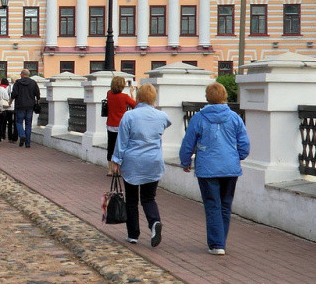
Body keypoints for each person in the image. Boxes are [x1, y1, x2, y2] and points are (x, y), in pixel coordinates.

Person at [180, 82, 250, 255]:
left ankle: (217, 244)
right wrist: (236, 157)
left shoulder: (199, 118)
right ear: (225, 96)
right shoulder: (234, 118)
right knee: (225, 205)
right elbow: (244, 144)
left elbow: (188, 143)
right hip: (230, 167)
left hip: (207, 168)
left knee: (212, 205)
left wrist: (185, 161)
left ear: (207, 97)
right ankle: (221, 241)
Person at [110, 83, 170, 247]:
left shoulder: (129, 116)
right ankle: (154, 222)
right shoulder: (161, 116)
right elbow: (167, 123)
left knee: (131, 199)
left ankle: (133, 234)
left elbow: (122, 142)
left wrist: (116, 161)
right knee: (149, 197)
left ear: (138, 97)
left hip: (133, 161)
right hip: (153, 161)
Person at [104, 75, 136, 159]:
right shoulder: (125, 97)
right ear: (122, 86)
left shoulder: (109, 93)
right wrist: (132, 93)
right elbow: (135, 105)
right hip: (121, 125)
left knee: (111, 147)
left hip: (110, 124)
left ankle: (110, 166)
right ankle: (119, 165)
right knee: (122, 147)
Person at [10, 70, 41, 148]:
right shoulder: (33, 83)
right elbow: (37, 94)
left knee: (18, 122)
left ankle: (22, 135)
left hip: (20, 105)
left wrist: (10, 101)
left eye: (21, 73)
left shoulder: (17, 83)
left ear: (23, 74)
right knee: (28, 124)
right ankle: (27, 143)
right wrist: (38, 102)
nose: (20, 75)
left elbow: (14, 93)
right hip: (30, 106)